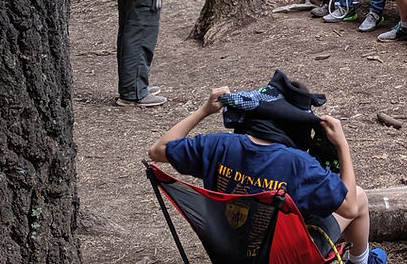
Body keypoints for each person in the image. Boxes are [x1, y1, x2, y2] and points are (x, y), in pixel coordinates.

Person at [147, 72, 387, 264]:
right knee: (360, 197)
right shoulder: (298, 165)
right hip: (286, 257)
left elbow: (158, 150)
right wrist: (342, 145)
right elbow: (349, 207)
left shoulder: (217, 146)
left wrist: (204, 110)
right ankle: (362, 261)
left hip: (228, 250)